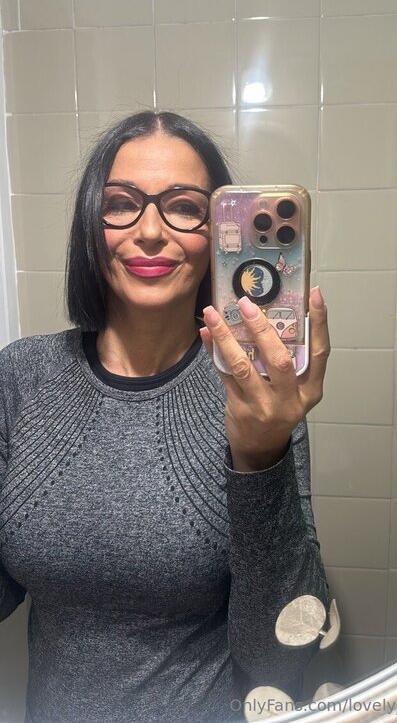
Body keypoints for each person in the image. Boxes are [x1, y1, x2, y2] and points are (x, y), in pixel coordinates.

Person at [0, 111, 330, 723]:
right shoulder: (21, 376)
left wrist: (261, 453)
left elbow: (278, 657)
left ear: (219, 234)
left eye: (183, 207)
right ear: (90, 225)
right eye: (121, 203)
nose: (150, 231)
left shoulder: (255, 394)